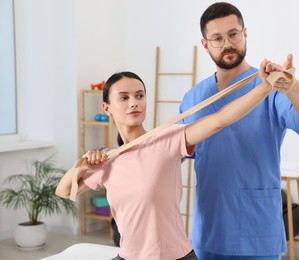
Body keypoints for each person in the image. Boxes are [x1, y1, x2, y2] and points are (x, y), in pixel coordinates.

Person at [56, 64, 283, 260]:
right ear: (106, 108)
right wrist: (82, 165)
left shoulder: (167, 139)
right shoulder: (108, 161)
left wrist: (266, 87)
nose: (134, 102)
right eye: (124, 98)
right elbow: (64, 191)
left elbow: (219, 120)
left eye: (139, 95)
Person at [179, 2, 299, 260]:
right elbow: (173, 153)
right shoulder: (193, 99)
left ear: (245, 34)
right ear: (205, 45)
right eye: (217, 38)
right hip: (209, 228)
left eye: (234, 34)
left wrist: (291, 86)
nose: (227, 44)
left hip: (257, 231)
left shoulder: (270, 88)